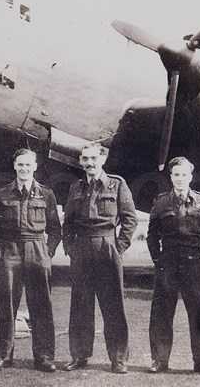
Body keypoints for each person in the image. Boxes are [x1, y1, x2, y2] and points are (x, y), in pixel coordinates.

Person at [62, 143, 138, 374]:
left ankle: (118, 358)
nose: (90, 163)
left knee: (113, 306)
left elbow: (130, 219)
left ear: (103, 160)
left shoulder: (117, 184)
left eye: (94, 158)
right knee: (80, 306)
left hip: (107, 246)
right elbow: (68, 222)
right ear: (80, 161)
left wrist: (118, 247)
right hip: (82, 248)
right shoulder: (76, 187)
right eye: (85, 159)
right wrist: (70, 247)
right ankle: (79, 355)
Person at [146, 157, 200, 375]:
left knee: (198, 313)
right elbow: (152, 235)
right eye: (176, 175)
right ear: (171, 177)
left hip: (193, 261)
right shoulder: (161, 202)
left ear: (191, 177)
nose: (180, 179)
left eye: (184, 175)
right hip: (168, 261)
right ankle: (159, 360)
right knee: (162, 313)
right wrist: (157, 259)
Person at [0, 148, 62, 372]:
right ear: (14, 166)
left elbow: (55, 229)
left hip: (37, 249)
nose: (24, 169)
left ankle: (44, 356)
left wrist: (47, 252)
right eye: (20, 164)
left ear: (35, 167)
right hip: (10, 250)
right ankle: (4, 355)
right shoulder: (2, 193)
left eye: (28, 165)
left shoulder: (46, 194)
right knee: (7, 304)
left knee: (41, 305)